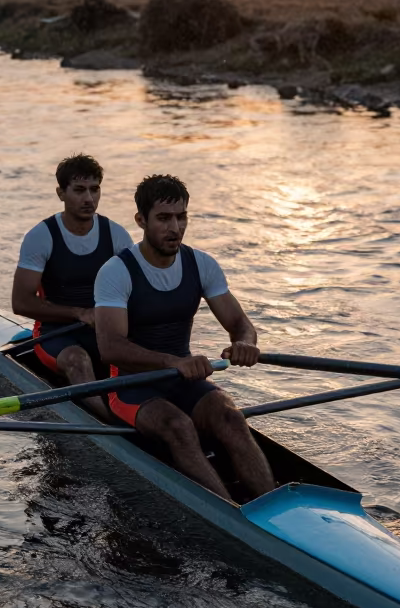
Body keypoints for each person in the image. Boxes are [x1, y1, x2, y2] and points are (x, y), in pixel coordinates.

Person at [94, 173, 274, 501]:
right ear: (141, 220)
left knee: (230, 417)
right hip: (129, 388)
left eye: (181, 217)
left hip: (181, 379)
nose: (175, 228)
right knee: (179, 427)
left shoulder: (201, 264)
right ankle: (232, 515)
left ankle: (274, 506)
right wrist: (173, 361)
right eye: (163, 218)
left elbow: (239, 322)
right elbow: (109, 348)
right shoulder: (116, 271)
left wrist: (245, 343)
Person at [12, 155, 133, 415]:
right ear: (61, 193)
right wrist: (79, 313)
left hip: (103, 332)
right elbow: (21, 302)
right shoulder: (41, 237)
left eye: (95, 189)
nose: (89, 198)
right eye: (79, 190)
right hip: (54, 335)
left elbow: (136, 294)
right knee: (78, 360)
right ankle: (109, 423)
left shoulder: (117, 236)